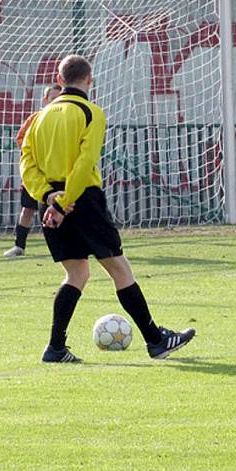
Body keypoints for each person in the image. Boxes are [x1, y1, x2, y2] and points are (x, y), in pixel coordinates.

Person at [21, 54, 195, 363]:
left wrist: (48, 196)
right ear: (89, 79)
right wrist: (63, 202)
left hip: (50, 199)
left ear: (59, 80)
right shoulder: (91, 113)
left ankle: (55, 347)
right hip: (82, 199)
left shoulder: (39, 117)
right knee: (118, 266)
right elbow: (84, 162)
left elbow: (26, 164)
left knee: (76, 272)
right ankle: (155, 340)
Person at [3, 83, 62, 258]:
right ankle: (19, 246)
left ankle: (69, 246)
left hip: (58, 173)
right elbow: (21, 138)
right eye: (52, 98)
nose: (55, 102)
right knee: (28, 209)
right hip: (36, 175)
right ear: (45, 100)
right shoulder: (36, 118)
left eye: (59, 98)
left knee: (65, 209)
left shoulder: (66, 119)